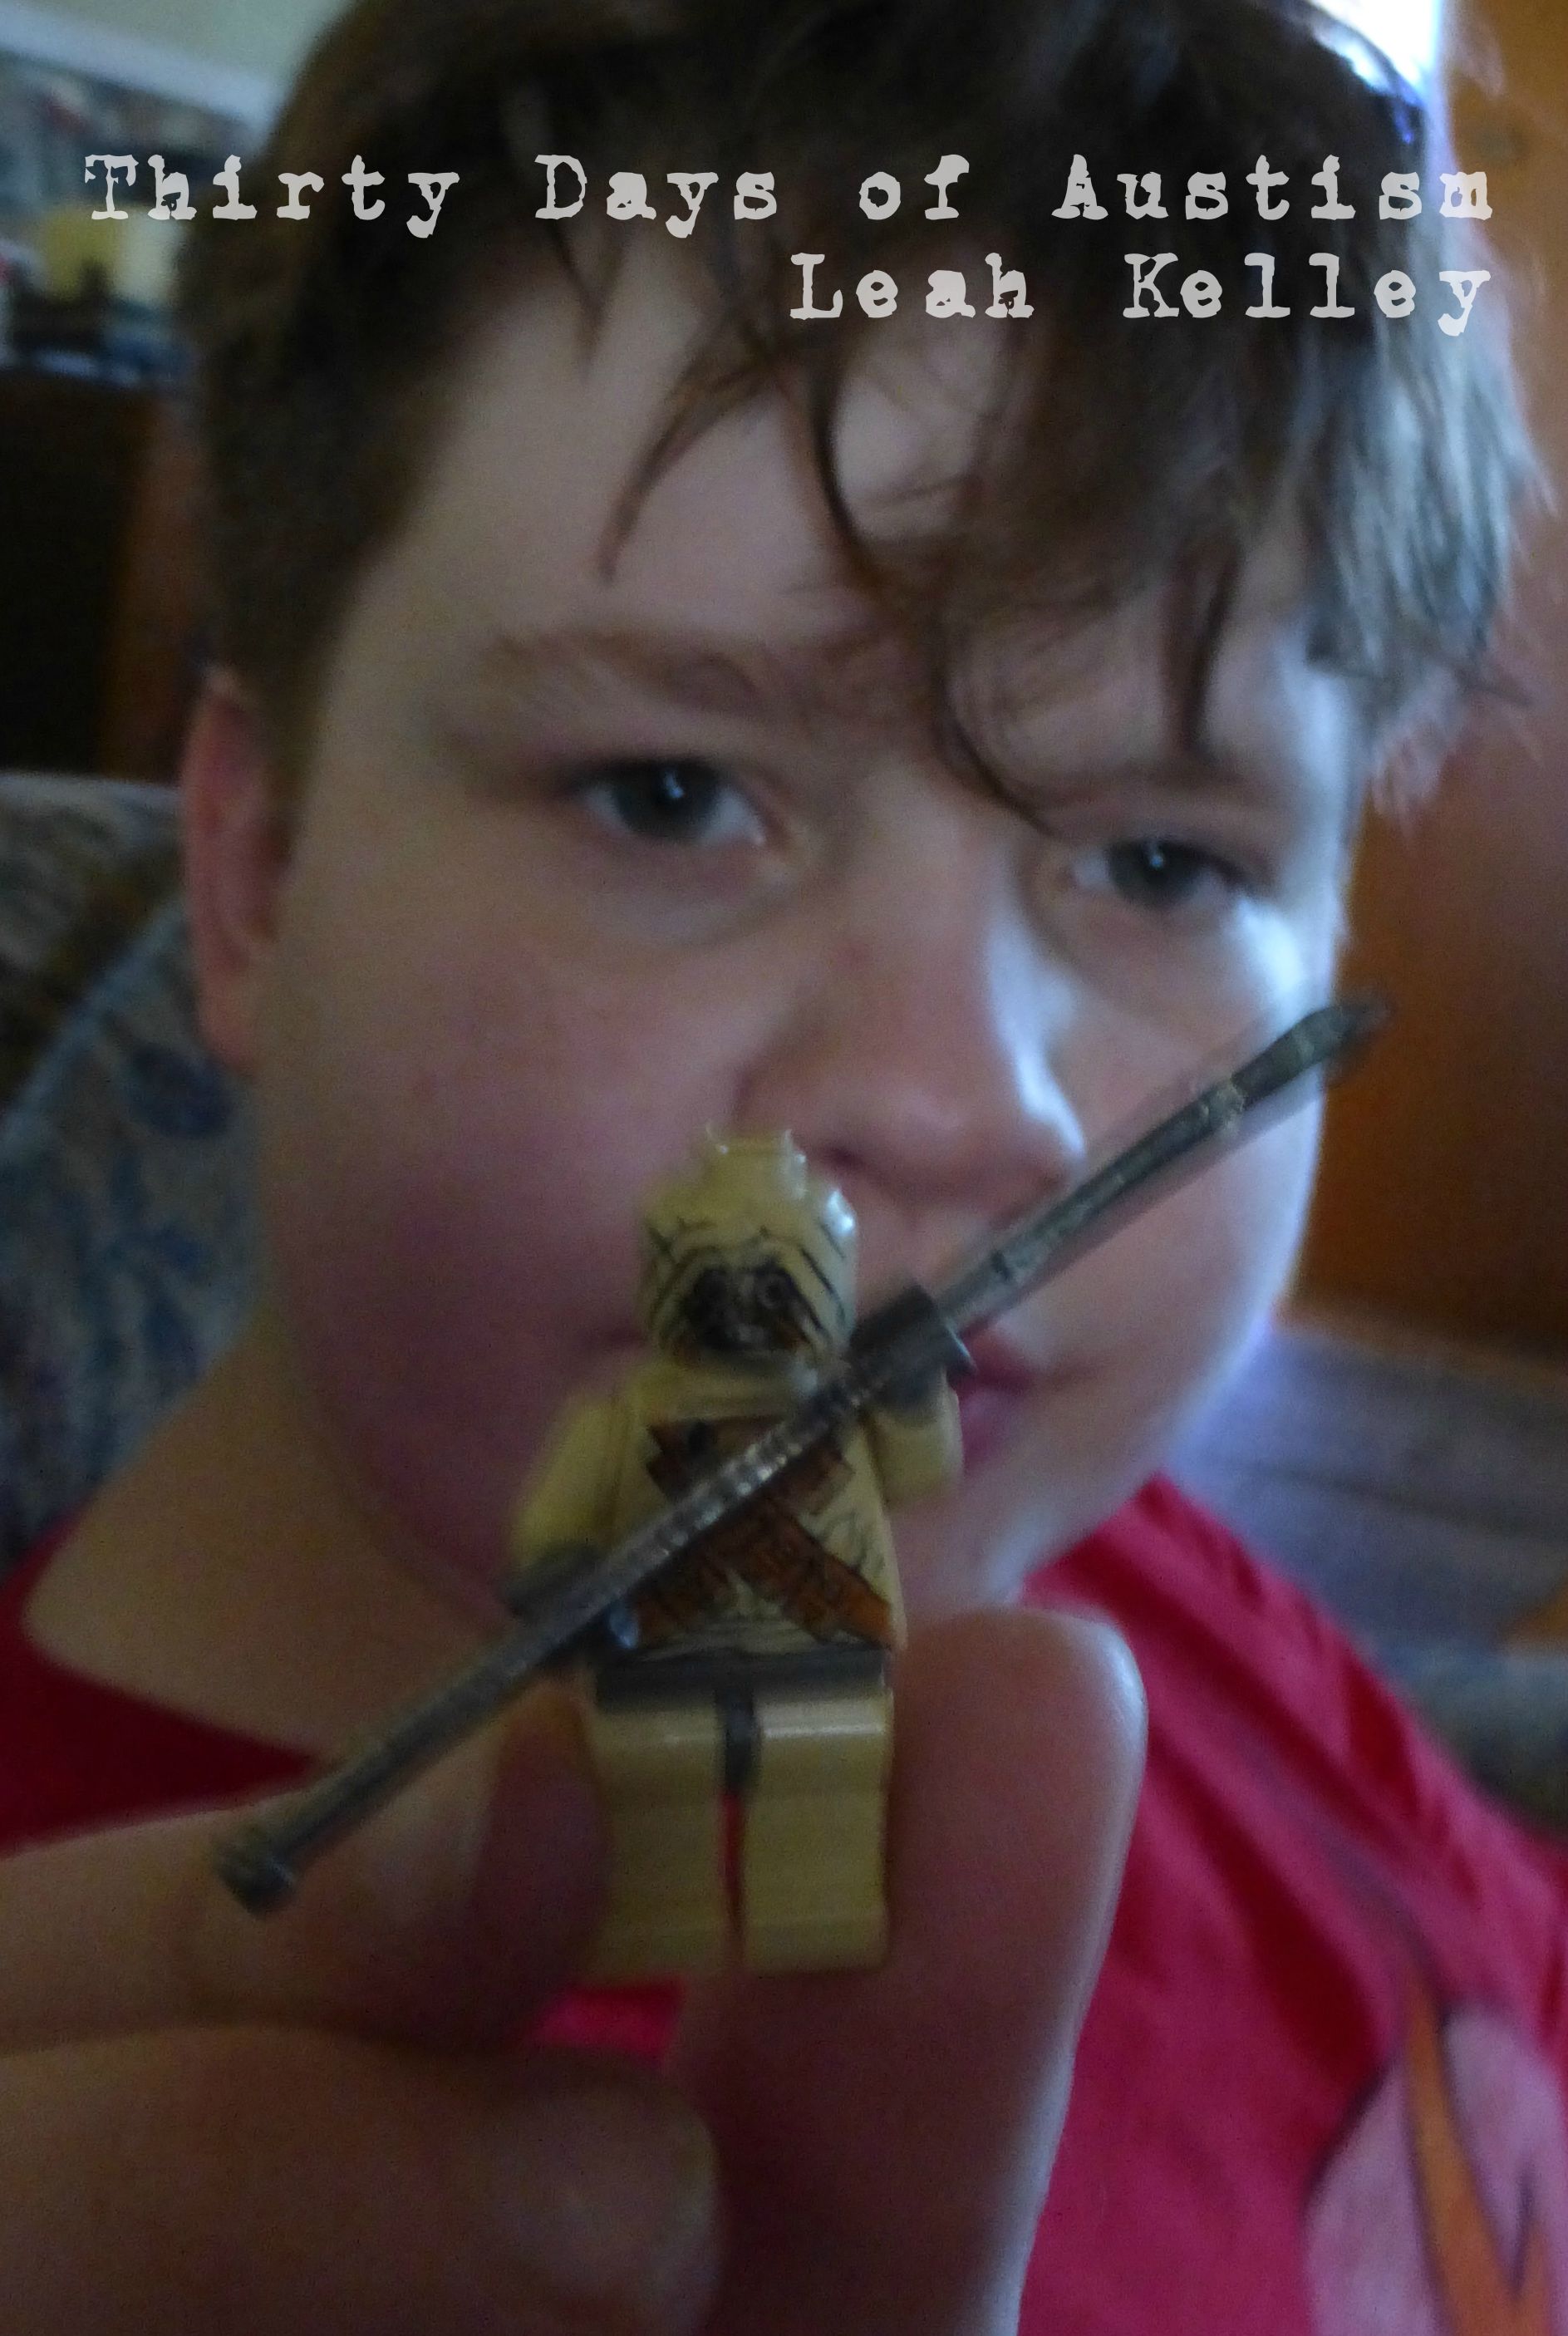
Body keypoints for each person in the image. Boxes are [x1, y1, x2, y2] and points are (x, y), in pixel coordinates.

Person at [0, 0, 1554, 2328]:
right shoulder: (141, 2168)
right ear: (256, 874)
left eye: (1157, 859)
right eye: (668, 797)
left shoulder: (1098, 1557)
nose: (964, 1107)